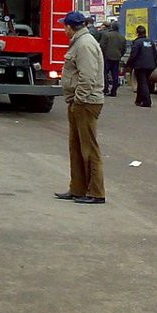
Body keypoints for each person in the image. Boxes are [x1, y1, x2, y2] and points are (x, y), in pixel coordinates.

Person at [54, 11, 106, 205]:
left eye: (64, 26)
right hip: (78, 102)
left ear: (70, 27)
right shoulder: (80, 42)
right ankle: (77, 189)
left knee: (89, 149)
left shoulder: (84, 44)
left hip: (86, 103)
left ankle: (96, 192)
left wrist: (79, 100)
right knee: (76, 147)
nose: (63, 29)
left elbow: (88, 77)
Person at [125, 25, 157, 107]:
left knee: (143, 82)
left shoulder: (137, 42)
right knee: (143, 82)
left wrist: (128, 64)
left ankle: (147, 101)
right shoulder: (150, 42)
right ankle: (138, 100)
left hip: (140, 66)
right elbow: (155, 53)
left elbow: (133, 55)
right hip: (150, 66)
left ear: (137, 33)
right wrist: (155, 64)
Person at [100, 21, 127, 97]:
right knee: (115, 75)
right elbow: (124, 49)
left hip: (107, 58)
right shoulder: (122, 37)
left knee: (104, 73)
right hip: (117, 58)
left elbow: (102, 46)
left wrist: (104, 55)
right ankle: (114, 91)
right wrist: (120, 55)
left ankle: (105, 89)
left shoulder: (106, 35)